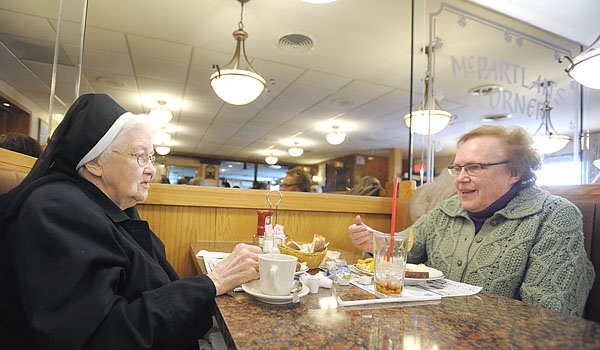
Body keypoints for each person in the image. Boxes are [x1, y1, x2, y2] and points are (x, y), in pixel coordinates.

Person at [0, 94, 262, 349]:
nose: (151, 169)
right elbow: (99, 334)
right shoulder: (56, 208)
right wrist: (212, 282)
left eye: (151, 157)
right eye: (140, 156)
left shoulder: (115, 203)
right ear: (94, 163)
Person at [348, 125, 595, 317]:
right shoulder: (447, 209)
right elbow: (406, 248)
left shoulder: (554, 216)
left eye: (474, 167)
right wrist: (377, 244)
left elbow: (549, 318)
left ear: (514, 172)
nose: (460, 179)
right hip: (436, 333)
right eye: (457, 169)